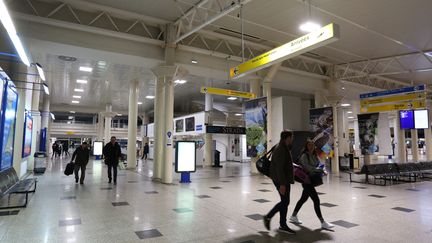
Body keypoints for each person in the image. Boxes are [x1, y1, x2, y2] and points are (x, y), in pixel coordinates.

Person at [289, 140, 335, 230]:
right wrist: (319, 170)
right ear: (306, 146)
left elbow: (319, 164)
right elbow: (307, 167)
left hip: (311, 180)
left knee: (303, 199)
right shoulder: (304, 155)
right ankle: (322, 222)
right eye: (309, 145)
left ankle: (293, 216)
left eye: (312, 145)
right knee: (316, 200)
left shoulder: (314, 155)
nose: (311, 147)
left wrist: (323, 169)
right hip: (307, 181)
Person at [263, 131, 295, 234]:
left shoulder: (282, 147)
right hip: (281, 179)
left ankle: (282, 224)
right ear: (287, 138)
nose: (292, 139)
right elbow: (279, 168)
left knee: (285, 202)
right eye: (291, 137)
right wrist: (282, 184)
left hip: (283, 179)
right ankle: (269, 217)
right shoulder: (281, 149)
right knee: (285, 202)